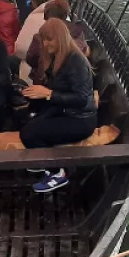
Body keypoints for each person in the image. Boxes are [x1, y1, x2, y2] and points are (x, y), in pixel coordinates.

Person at [20, 19, 97, 193]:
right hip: (64, 110)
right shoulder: (57, 57)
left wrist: (48, 94)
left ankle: (58, 173)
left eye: (49, 39)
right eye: (43, 40)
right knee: (27, 123)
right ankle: (42, 158)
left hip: (80, 119)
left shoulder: (76, 61)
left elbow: (81, 99)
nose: (45, 44)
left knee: (28, 134)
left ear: (61, 38)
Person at [24, 0, 87, 84]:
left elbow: (30, 59)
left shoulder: (40, 37)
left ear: (47, 17)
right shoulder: (79, 32)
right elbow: (84, 51)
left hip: (46, 83)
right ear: (66, 15)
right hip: (74, 80)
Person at [15, 0, 55, 70]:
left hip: (33, 71)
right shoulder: (64, 15)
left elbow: (21, 49)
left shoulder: (34, 17)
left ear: (34, 0)